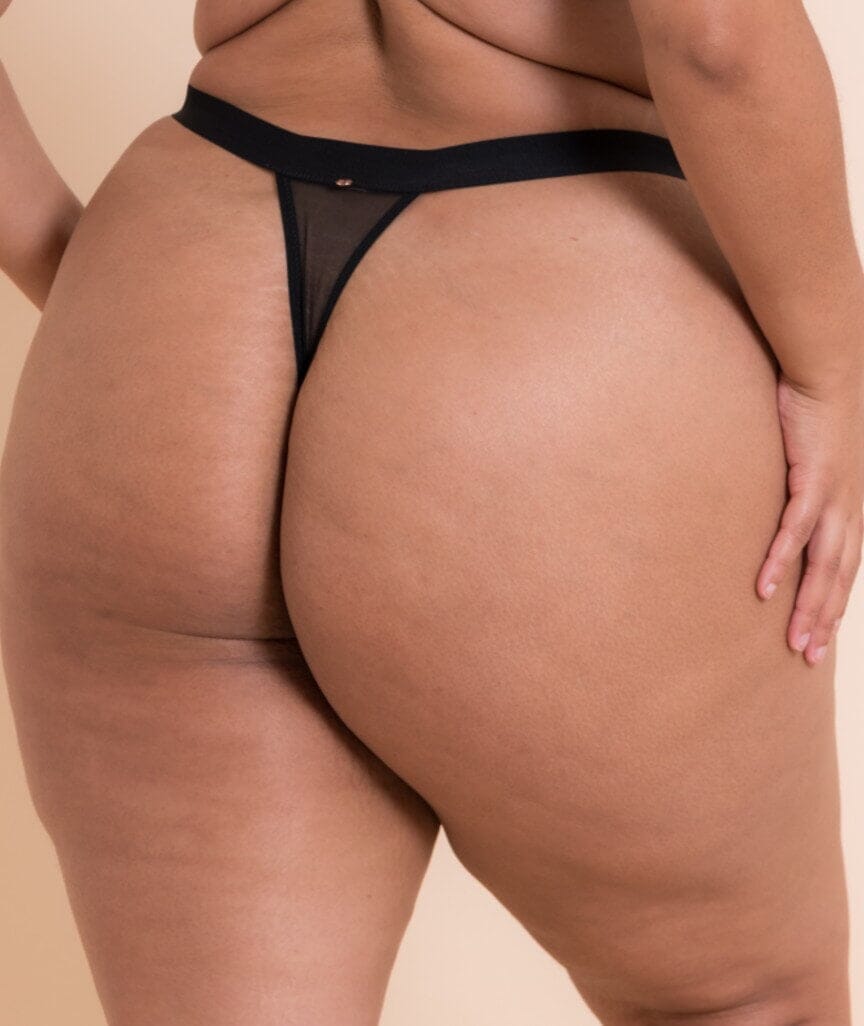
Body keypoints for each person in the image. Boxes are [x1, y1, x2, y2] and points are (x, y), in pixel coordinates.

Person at [1, 0, 862, 1022]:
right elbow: (715, 37)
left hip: (172, 298)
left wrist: (92, 282)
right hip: (537, 301)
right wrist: (835, 372)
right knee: (746, 1004)